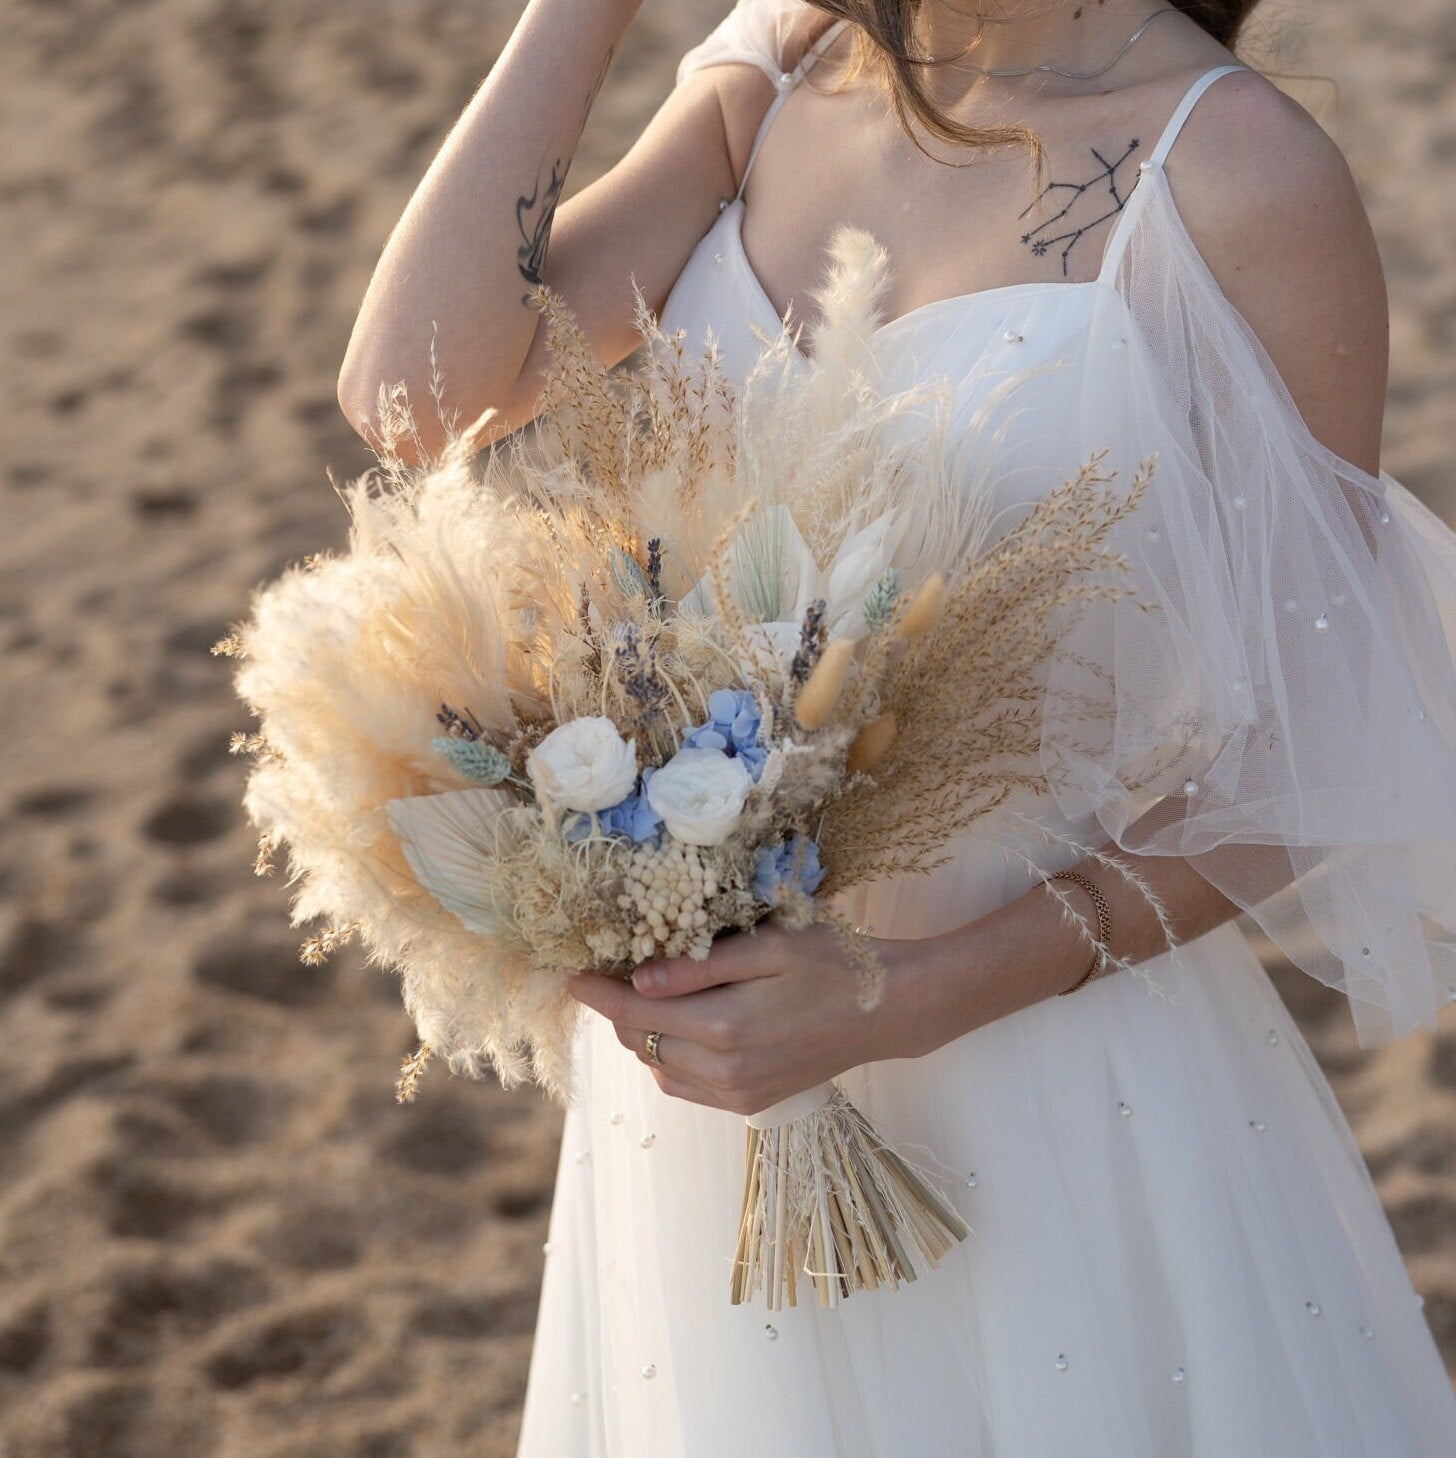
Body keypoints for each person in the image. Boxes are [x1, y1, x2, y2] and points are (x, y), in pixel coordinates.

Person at [338, 1, 1456, 1452]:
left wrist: (907, 993)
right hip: (703, 1103)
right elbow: (408, 398)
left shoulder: (1242, 174)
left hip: (1040, 1070)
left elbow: (1312, 758)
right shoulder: (780, 78)